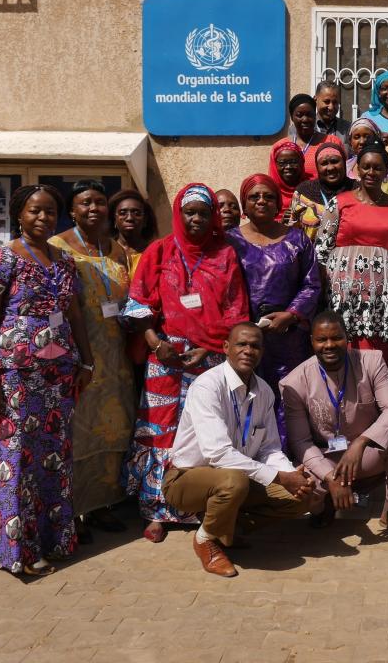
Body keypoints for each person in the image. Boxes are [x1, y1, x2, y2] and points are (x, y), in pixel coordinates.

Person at [0, 184, 94, 576]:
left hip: (58, 377)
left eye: (49, 211)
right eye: (34, 211)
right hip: (16, 377)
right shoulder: (1, 258)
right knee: (16, 458)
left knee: (53, 458)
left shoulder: (63, 260)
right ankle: (17, 551)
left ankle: (52, 538)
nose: (42, 218)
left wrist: (87, 362)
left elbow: (74, 315)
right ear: (18, 215)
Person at [122, 183, 250, 543]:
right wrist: (154, 342)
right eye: (190, 212)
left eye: (203, 213)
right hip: (164, 355)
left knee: (203, 432)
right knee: (160, 430)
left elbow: (237, 310)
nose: (196, 219)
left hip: (208, 357)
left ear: (213, 218)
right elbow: (137, 303)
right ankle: (157, 510)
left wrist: (211, 348)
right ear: (179, 213)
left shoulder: (225, 254)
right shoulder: (159, 251)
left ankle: (201, 509)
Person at [163, 323, 317, 577]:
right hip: (186, 478)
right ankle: (205, 540)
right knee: (234, 481)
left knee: (302, 498)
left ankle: (228, 530)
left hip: (236, 479)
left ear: (262, 352)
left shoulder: (264, 391)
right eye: (241, 344)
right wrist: (279, 477)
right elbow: (218, 454)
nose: (248, 351)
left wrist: (293, 477)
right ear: (226, 348)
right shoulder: (207, 386)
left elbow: (269, 449)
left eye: (255, 346)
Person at [281, 311, 388, 540]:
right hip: (328, 458)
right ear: (311, 342)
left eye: (336, 338)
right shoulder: (294, 382)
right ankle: (326, 503)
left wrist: (361, 443)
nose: (329, 345)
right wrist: (330, 477)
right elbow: (300, 442)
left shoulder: (371, 361)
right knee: (303, 481)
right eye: (321, 339)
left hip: (365, 454)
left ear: (347, 338)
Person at [49, 179, 136, 542]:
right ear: (72, 210)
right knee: (77, 434)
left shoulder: (116, 249)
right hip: (78, 358)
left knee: (113, 429)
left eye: (100, 203)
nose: (94, 209)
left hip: (115, 358)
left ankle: (100, 505)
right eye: (85, 203)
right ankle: (69, 512)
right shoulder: (57, 248)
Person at [227, 174, 320, 442]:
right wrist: (243, 326)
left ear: (278, 202)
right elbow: (223, 288)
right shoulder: (230, 241)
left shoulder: (297, 239)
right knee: (246, 396)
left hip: (288, 338)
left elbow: (311, 283)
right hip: (245, 337)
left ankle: (287, 459)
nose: (261, 201)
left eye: (268, 196)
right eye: (254, 196)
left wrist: (291, 315)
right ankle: (249, 461)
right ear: (244, 203)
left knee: (288, 397)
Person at [316, 138, 388, 374]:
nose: (371, 172)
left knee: (378, 362)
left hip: (381, 300)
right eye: (366, 166)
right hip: (343, 297)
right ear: (356, 169)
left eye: (377, 167)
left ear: (386, 171)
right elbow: (321, 251)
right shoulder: (339, 203)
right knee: (344, 357)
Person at [293, 140, 355, 241]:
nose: (330, 168)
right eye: (324, 163)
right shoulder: (303, 192)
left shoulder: (358, 189)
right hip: (311, 255)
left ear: (344, 162)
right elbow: (294, 231)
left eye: (335, 161)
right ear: (317, 167)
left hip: (348, 254)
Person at [109, 188, 158, 277]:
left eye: (136, 213)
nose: (130, 218)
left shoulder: (156, 254)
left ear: (145, 220)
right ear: (114, 220)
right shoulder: (105, 253)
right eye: (123, 213)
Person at [286, 93, 331, 179]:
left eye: (309, 114)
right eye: (299, 115)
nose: (305, 119)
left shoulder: (331, 142)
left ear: (315, 115)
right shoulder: (281, 147)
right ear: (292, 117)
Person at [267, 139, 310, 219]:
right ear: (274, 165)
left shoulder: (312, 188)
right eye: (282, 163)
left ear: (301, 163)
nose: (288, 167)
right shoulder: (268, 191)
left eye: (293, 162)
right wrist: (281, 223)